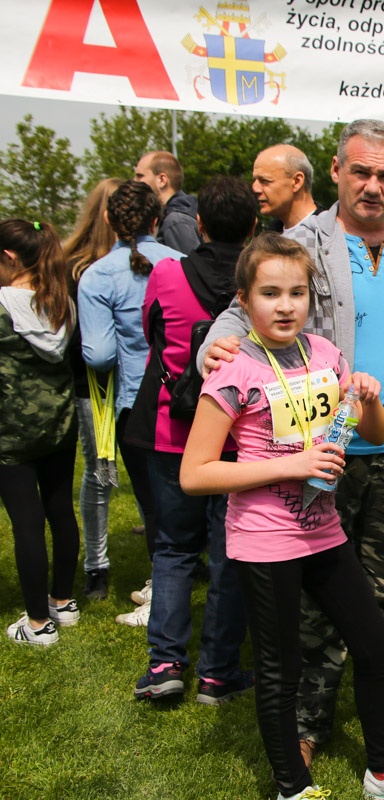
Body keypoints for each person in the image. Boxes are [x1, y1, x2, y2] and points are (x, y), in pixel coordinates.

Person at [201, 119, 384, 759]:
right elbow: (237, 312)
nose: (373, 186)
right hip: (314, 455)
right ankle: (308, 723)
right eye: (360, 171)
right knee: (315, 601)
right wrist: (215, 345)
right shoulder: (300, 243)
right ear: (337, 170)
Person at [124, 177, 259, 702]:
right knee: (229, 554)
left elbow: (151, 334)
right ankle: (219, 672)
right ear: (253, 226)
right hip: (237, 438)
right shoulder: (258, 283)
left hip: (172, 428)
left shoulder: (167, 273)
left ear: (198, 223)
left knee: (174, 547)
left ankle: (165, 664)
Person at [78, 179, 184, 627]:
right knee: (181, 499)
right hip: (184, 396)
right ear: (157, 219)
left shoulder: (97, 275)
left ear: (107, 219)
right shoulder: (180, 262)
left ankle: (162, 594)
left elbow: (99, 354)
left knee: (153, 504)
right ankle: (173, 582)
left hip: (134, 404)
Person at [0, 219, 80, 646]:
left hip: (10, 431)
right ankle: (62, 601)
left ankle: (36, 624)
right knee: (60, 509)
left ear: (9, 257)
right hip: (59, 426)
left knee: (26, 522)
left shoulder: (2, 304)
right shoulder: (62, 302)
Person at [62, 177, 121, 600]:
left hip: (126, 383)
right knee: (99, 472)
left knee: (135, 473)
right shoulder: (75, 267)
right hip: (92, 386)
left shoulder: (138, 260)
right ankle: (96, 564)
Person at [135, 150, 201, 253]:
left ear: (162, 180)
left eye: (139, 176)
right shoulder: (173, 217)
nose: (134, 181)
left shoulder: (176, 222)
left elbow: (190, 262)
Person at [253, 144, 322, 233]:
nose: (255, 189)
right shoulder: (271, 233)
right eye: (255, 180)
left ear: (297, 182)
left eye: (265, 181)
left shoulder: (328, 233)